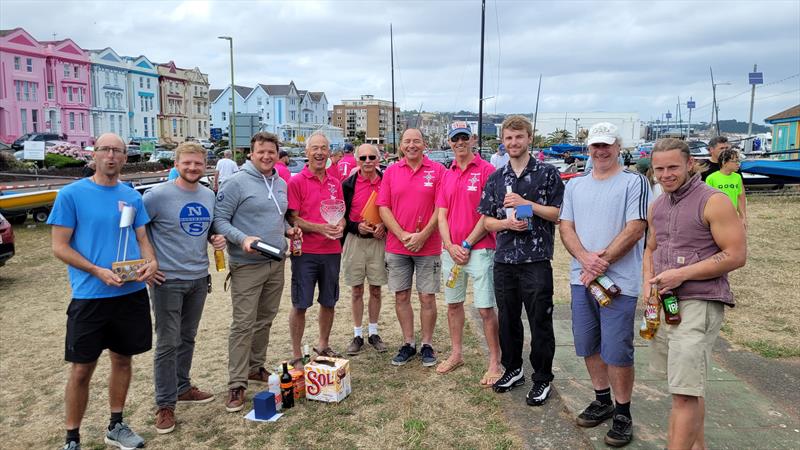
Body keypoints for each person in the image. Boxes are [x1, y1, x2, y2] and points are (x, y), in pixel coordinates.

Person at [48, 133, 158, 450]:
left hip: (129, 294)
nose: (111, 156)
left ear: (125, 158)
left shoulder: (132, 196)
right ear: (93, 155)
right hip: (90, 296)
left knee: (123, 361)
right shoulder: (71, 195)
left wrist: (151, 262)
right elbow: (59, 247)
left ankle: (116, 424)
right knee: (82, 368)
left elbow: (142, 239)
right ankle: (72, 438)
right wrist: (96, 270)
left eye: (117, 151)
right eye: (105, 150)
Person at [644, 138, 746, 450]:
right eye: (659, 168)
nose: (666, 174)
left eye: (673, 166)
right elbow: (651, 248)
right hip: (666, 305)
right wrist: (649, 285)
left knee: (684, 394)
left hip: (700, 302)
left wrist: (682, 274)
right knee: (688, 387)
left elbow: (736, 254)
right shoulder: (658, 204)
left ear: (690, 164)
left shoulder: (712, 200)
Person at [559, 122, 651, 447]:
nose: (601, 151)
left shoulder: (633, 182)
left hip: (619, 283)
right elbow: (566, 227)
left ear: (618, 147)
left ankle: (623, 410)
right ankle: (602, 399)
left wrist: (602, 261)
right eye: (596, 145)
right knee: (587, 344)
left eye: (606, 145)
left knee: (617, 350)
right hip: (581, 279)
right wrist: (586, 259)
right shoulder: (575, 187)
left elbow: (636, 226)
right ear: (589, 149)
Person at [477, 115, 564, 406]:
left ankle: (542, 378)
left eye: (519, 137)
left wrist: (529, 206)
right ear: (503, 141)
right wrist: (506, 225)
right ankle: (514, 369)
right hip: (504, 260)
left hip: (536, 259)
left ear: (529, 138)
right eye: (509, 138)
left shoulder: (547, 173)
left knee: (540, 319)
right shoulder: (496, 177)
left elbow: (557, 214)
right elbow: (487, 221)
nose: (514, 142)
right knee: (508, 319)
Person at [213, 132, 301, 413]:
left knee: (265, 319)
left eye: (271, 152)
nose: (266, 156)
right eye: (260, 151)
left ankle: (254, 368)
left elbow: (278, 216)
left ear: (277, 154)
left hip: (276, 262)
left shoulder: (280, 183)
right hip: (247, 265)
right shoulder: (236, 182)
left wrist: (288, 230)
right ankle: (236, 383)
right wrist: (242, 239)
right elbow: (219, 220)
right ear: (250, 153)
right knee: (243, 324)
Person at [143, 142, 226, 434]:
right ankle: (165, 404)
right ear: (175, 165)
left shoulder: (208, 195)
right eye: (186, 163)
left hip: (198, 277)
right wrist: (148, 262)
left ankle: (182, 386)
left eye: (198, 163)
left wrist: (215, 239)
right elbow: (138, 231)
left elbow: (207, 228)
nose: (192, 168)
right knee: (167, 341)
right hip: (167, 280)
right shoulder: (156, 196)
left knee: (187, 336)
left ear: (205, 165)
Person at [435, 122, 502, 385]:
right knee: (453, 304)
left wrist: (465, 245)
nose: (460, 142)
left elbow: (488, 215)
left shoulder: (487, 171)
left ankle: (495, 361)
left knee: (485, 308)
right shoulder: (447, 173)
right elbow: (441, 214)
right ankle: (456, 353)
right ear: (449, 142)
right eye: (455, 138)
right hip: (451, 251)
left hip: (481, 250)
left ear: (472, 139)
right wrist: (450, 245)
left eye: (464, 137)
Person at [378, 128, 446, 367]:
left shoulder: (438, 171)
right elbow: (383, 207)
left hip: (429, 245)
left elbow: (441, 207)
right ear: (401, 146)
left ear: (424, 144)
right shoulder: (391, 172)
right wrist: (403, 234)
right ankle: (408, 342)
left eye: (416, 140)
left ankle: (427, 344)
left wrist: (423, 235)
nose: (411, 145)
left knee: (427, 296)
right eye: (407, 141)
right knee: (401, 295)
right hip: (397, 245)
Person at [287, 132, 346, 361]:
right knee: (300, 304)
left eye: (324, 148)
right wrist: (320, 228)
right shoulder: (296, 181)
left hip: (332, 251)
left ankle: (323, 345)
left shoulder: (335, 183)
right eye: (315, 148)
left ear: (329, 153)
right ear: (307, 152)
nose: (320, 152)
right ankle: (295, 353)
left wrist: (340, 226)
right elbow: (293, 218)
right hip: (306, 252)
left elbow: (340, 215)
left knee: (329, 301)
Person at [341, 144, 388, 355]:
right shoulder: (347, 185)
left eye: (371, 157)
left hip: (379, 240)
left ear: (378, 159)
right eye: (363, 157)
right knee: (356, 289)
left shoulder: (387, 181)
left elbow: (394, 208)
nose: (367, 161)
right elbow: (341, 216)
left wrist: (385, 226)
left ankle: (374, 332)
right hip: (355, 240)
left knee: (376, 288)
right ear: (356, 160)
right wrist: (354, 226)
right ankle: (358, 334)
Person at [705, 148, 747, 228]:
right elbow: (706, 201)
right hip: (717, 218)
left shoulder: (737, 177)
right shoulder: (711, 178)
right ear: (724, 162)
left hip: (734, 216)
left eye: (739, 161)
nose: (738, 164)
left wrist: (743, 217)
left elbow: (738, 198)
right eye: (735, 161)